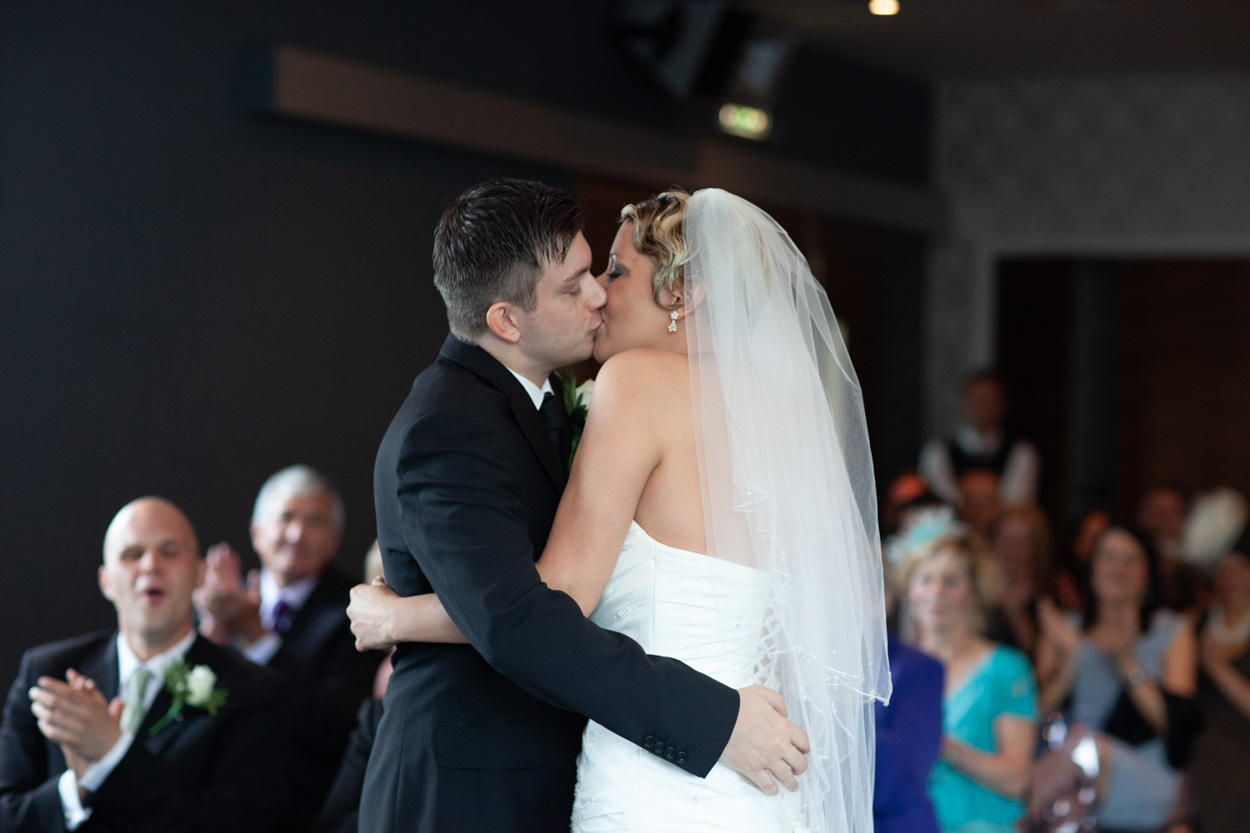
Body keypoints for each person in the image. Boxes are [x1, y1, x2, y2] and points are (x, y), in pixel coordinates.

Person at [352, 184, 888, 831]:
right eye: (588, 276)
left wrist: (397, 618)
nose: (601, 292)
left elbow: (554, 597)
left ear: (684, 296)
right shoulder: (784, 419)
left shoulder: (633, 384)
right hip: (753, 776)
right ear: (505, 318)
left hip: (669, 771)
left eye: (613, 270)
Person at [0, 497, 289, 832]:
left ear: (198, 574)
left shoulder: (254, 690)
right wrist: (76, 789)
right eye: (132, 554)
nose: (151, 564)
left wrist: (113, 752)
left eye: (169, 551)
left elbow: (237, 824)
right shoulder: (48, 672)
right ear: (105, 581)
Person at [193, 466, 381, 831]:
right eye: (286, 517)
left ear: (334, 540)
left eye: (314, 522)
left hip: (298, 812)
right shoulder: (217, 601)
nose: (296, 534)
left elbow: (336, 726)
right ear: (257, 531)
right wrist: (213, 640)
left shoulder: (356, 611)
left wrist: (257, 637)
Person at [1034, 524, 1198, 831]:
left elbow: (1176, 728)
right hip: (1067, 778)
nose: (1118, 568)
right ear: (1092, 566)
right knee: (1069, 785)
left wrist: (1127, 663)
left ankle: (1019, 816)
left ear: (1148, 574)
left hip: (1142, 779)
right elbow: (1034, 717)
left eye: (1130, 559)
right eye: (1108, 557)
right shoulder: (1064, 629)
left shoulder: (1171, 631)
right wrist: (1070, 661)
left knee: (1083, 744)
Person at [903, 532, 1037, 833]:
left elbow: (1016, 779)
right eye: (924, 579)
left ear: (975, 593)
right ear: (910, 590)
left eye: (951, 581)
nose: (935, 591)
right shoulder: (891, 667)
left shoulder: (1007, 668)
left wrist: (942, 746)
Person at [1187, 527, 1250, 833]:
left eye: (1242, 569)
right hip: (1199, 737)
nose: (1233, 579)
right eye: (1225, 570)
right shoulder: (1195, 624)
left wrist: (1216, 667)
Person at [918, 370, 1039, 506]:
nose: (983, 406)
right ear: (964, 402)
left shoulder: (1021, 451)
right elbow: (941, 501)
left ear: (1003, 404)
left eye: (990, 399)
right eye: (978, 399)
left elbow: (1017, 503)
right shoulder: (937, 452)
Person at [985, 502, 1052, 656]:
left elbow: (1040, 659)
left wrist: (1016, 615)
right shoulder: (972, 591)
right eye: (1004, 538)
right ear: (991, 542)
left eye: (1021, 541)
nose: (1011, 548)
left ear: (1034, 550)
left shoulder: (1045, 599)